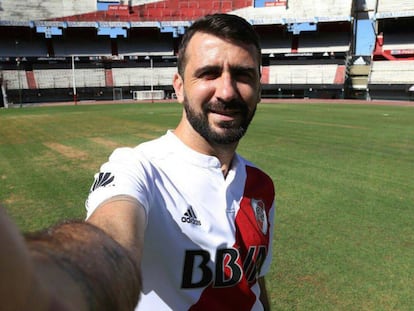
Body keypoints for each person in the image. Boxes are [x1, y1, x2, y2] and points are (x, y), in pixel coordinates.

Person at [0, 13, 275, 311]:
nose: (226, 91)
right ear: (179, 86)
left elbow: (254, 282)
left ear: (259, 87)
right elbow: (109, 241)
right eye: (208, 73)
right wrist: (44, 283)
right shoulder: (139, 167)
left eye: (243, 74)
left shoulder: (261, 184)